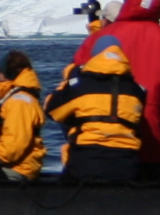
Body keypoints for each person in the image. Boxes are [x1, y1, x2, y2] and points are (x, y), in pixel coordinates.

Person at [75, 0, 160, 177]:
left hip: (104, 138)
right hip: (154, 136)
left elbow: (76, 78)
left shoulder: (100, 38)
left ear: (126, 1)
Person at [46, 30, 150, 181]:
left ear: (95, 57)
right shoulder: (137, 89)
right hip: (126, 163)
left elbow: (51, 111)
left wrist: (66, 83)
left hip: (86, 160)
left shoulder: (80, 86)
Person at [0, 49, 47, 178]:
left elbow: (15, 144)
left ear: (8, 73)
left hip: (17, 168)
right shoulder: (12, 98)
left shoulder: (19, 102)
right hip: (7, 163)